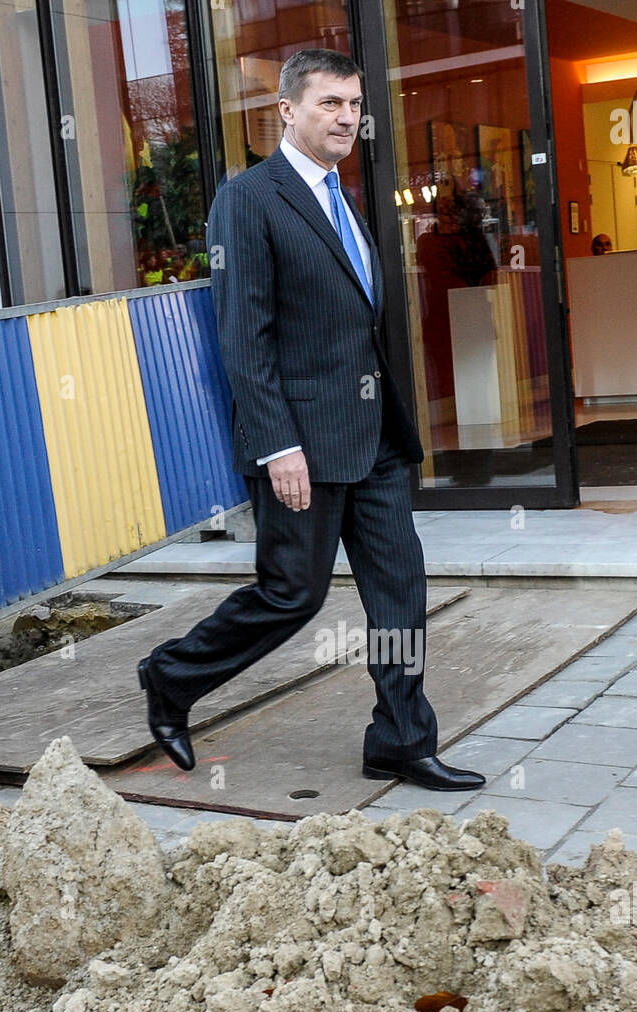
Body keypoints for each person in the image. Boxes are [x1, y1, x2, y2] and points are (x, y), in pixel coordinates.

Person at [138, 49, 485, 794]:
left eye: (355, 104)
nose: (347, 117)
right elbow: (243, 338)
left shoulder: (342, 196)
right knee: (291, 595)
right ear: (287, 111)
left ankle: (399, 739)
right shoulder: (250, 199)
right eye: (331, 103)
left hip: (375, 438)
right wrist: (277, 445)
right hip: (303, 440)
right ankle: (171, 675)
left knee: (400, 590)